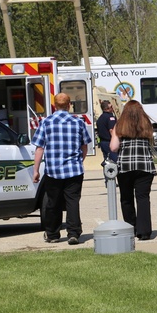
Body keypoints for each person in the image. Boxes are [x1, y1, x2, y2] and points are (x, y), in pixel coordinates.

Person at [31, 92, 91, 245]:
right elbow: (85, 146)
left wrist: (36, 170)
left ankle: (52, 233)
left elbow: (39, 148)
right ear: (69, 105)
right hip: (74, 170)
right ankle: (73, 233)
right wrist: (79, 160)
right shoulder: (78, 122)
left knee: (53, 202)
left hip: (53, 170)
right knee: (72, 201)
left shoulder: (46, 122)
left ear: (54, 105)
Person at [109, 100, 157, 241]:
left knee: (126, 198)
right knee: (143, 198)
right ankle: (144, 231)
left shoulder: (120, 126)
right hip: (145, 165)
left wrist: (114, 134)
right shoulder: (146, 125)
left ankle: (131, 227)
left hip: (126, 166)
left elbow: (113, 147)